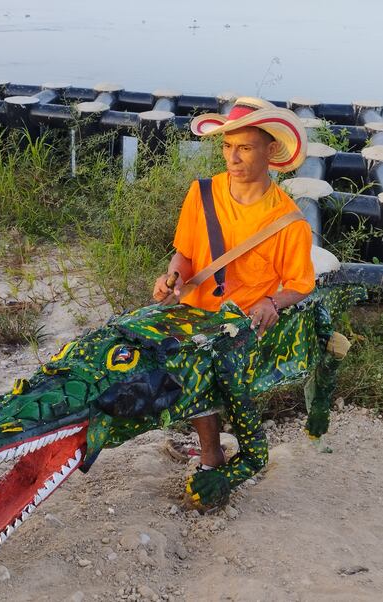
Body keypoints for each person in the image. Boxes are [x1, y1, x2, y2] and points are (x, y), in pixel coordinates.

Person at [152, 96, 315, 471]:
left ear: (271, 150)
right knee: (181, 372)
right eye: (227, 146)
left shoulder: (289, 222)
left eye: (245, 148)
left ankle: (218, 456)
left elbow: (300, 283)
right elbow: (185, 253)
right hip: (195, 310)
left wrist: (273, 303)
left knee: (209, 380)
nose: (232, 158)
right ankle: (211, 449)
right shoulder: (202, 193)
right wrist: (171, 276)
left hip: (242, 325)